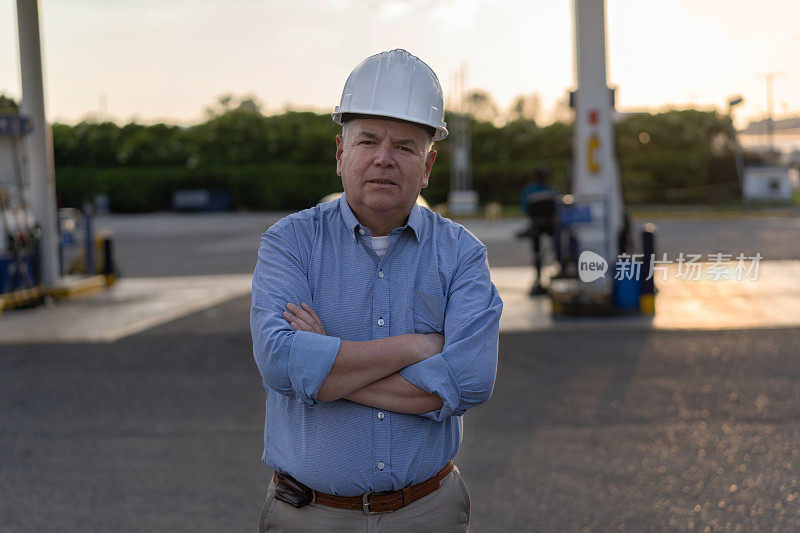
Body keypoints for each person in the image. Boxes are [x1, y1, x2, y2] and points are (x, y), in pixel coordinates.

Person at [250, 49, 503, 532]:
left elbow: (469, 381)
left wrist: (326, 369)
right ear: (341, 154)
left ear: (427, 165)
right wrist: (417, 348)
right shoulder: (290, 243)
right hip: (309, 516)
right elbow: (281, 362)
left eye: (405, 147)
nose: (384, 159)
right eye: (368, 141)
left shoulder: (462, 255)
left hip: (427, 513)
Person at [518, 167, 557, 295]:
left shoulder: (528, 191)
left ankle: (539, 277)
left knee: (537, 253)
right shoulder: (549, 190)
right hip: (549, 225)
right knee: (557, 245)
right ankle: (557, 269)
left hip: (535, 224)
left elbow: (525, 209)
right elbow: (555, 209)